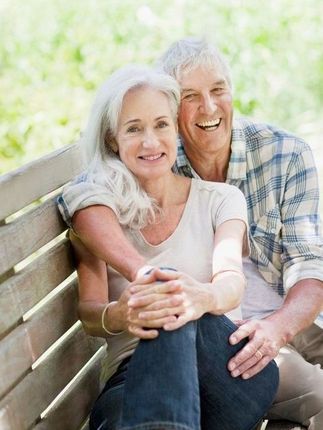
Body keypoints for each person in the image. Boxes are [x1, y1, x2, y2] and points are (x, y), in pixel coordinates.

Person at [58, 38, 323, 428]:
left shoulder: (238, 185)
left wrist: (185, 293)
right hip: (140, 374)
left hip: (242, 342)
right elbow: (77, 198)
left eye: (218, 90)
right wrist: (133, 296)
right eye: (191, 97)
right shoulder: (114, 191)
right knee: (124, 409)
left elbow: (292, 267)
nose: (209, 108)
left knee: (174, 305)